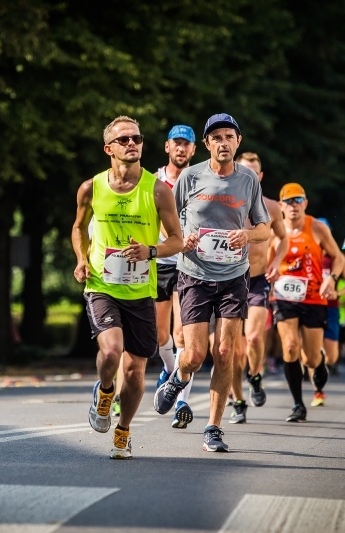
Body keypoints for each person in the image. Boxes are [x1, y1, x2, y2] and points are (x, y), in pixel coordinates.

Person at [154, 113, 270, 452]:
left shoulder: (249, 180)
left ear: (238, 142)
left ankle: (214, 427)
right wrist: (182, 238)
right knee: (193, 354)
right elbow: (167, 223)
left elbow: (265, 229)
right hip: (194, 274)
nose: (223, 142)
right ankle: (179, 377)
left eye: (228, 136)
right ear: (206, 144)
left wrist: (246, 234)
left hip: (234, 275)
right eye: (216, 137)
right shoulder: (190, 177)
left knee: (225, 351)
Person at [72, 115, 183, 459]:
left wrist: (150, 251)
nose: (132, 143)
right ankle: (105, 393)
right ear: (109, 148)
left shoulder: (158, 189)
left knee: (135, 371)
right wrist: (80, 258)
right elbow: (78, 228)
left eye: (136, 138)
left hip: (140, 291)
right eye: (123, 140)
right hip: (101, 283)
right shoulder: (91, 187)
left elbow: (177, 241)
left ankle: (123, 430)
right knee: (111, 350)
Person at [268, 184, 345, 421]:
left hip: (314, 298)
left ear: (305, 203)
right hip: (284, 297)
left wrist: (331, 279)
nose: (293, 205)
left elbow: (338, 258)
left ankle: (319, 365)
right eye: (288, 201)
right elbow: (267, 264)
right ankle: (298, 404)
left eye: (298, 200)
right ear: (280, 206)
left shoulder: (318, 228)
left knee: (310, 358)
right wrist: (270, 276)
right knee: (290, 346)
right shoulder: (274, 232)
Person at [227, 152, 287, 424]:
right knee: (230, 349)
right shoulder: (227, 202)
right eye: (245, 170)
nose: (250, 176)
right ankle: (238, 400)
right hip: (229, 279)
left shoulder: (272, 207)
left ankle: (255, 374)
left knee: (253, 338)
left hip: (259, 279)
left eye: (254, 172)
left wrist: (277, 261)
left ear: (260, 176)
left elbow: (284, 239)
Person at [153, 124, 197, 429]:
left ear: (194, 150)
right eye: (176, 143)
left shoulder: (201, 180)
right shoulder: (153, 181)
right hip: (160, 261)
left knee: (183, 335)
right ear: (167, 147)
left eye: (187, 144)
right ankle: (171, 373)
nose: (181, 148)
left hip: (190, 263)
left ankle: (181, 398)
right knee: (159, 336)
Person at [316, 217, 345, 385]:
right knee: (309, 349)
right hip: (309, 307)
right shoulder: (307, 252)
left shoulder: (337, 258)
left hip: (331, 309)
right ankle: (317, 387)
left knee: (331, 356)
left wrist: (338, 293)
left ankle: (323, 367)